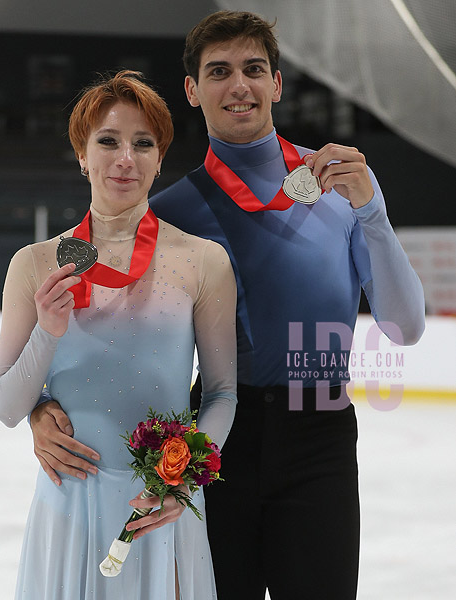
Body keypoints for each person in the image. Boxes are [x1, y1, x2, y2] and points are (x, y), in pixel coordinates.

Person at [29, 11, 425, 600]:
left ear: (277, 84)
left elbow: (405, 326)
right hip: (213, 443)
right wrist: (39, 407)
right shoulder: (169, 213)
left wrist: (373, 213)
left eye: (253, 69)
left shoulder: (344, 186)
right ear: (192, 90)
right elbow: (101, 335)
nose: (238, 85)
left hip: (319, 432)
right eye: (219, 71)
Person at [0, 70, 237, 600]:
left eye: (142, 144)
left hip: (160, 507)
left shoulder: (203, 260)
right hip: (68, 506)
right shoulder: (34, 264)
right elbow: (8, 405)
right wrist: (48, 334)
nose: (125, 158)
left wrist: (184, 480)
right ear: (82, 154)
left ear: (159, 158)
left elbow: (222, 393)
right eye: (108, 141)